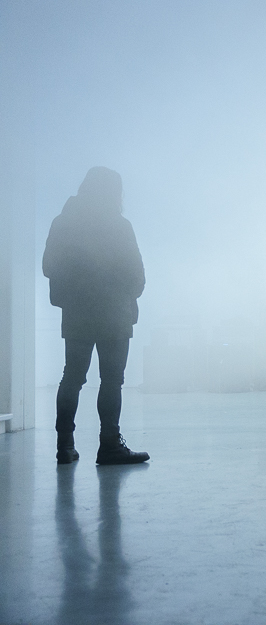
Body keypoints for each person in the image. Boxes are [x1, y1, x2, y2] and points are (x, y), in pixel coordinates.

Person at [42, 166, 149, 465]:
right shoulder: (119, 226)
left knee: (72, 377)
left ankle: (65, 446)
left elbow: (48, 266)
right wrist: (125, 292)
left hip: (77, 312)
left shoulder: (63, 223)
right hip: (114, 313)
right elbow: (136, 274)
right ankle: (110, 446)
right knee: (112, 380)